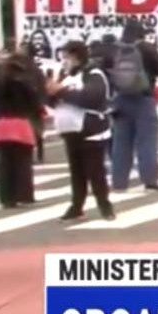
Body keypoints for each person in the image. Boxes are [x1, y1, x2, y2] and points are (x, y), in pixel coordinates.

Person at [48, 41, 115, 221]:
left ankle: (105, 206)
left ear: (77, 56)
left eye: (67, 57)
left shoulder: (94, 74)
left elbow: (91, 98)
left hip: (91, 129)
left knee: (95, 171)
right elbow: (52, 99)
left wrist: (61, 92)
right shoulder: (65, 75)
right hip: (71, 131)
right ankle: (77, 206)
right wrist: (50, 93)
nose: (64, 61)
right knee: (77, 172)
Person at [108, 20, 158, 192]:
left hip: (120, 98)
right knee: (146, 141)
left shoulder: (115, 49)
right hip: (144, 98)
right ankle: (149, 180)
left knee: (120, 143)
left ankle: (119, 182)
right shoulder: (147, 48)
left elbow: (108, 72)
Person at [0, 52, 44, 208]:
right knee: (23, 161)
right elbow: (34, 102)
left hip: (0, 123)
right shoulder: (23, 81)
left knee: (4, 163)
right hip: (19, 123)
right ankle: (24, 195)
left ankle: (6, 198)